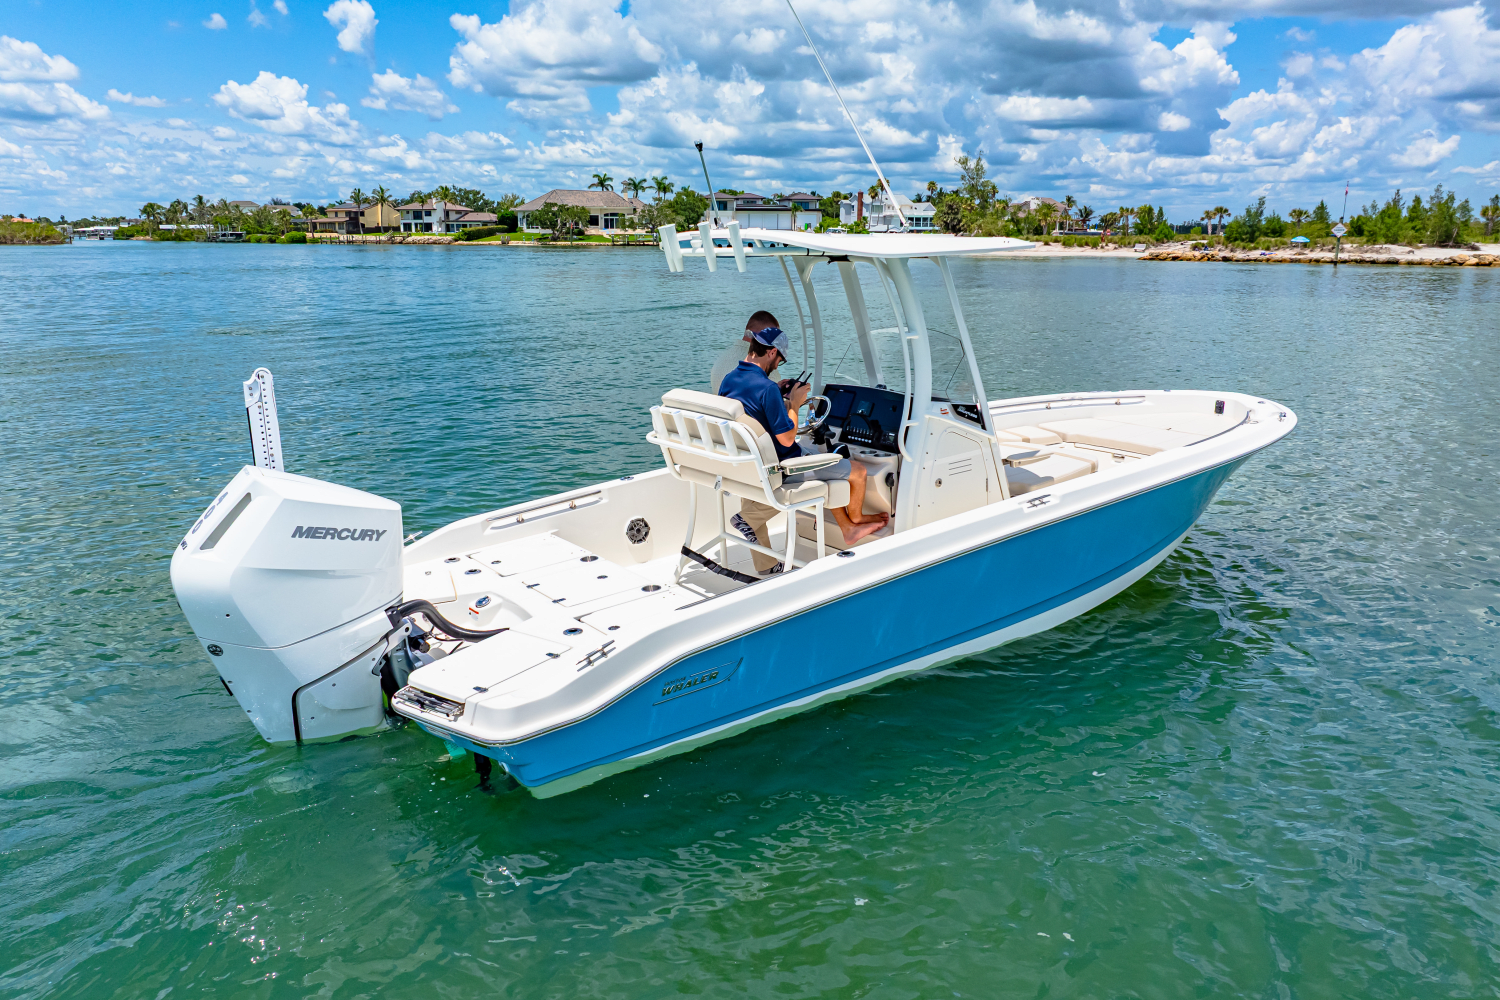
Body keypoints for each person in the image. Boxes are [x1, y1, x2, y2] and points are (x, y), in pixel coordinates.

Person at [718, 311, 887, 569]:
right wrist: (794, 404)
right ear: (772, 352)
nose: (777, 367)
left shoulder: (730, 380)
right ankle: (854, 520)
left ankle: (765, 566)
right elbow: (786, 439)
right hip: (784, 467)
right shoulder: (765, 389)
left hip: (748, 465)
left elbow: (752, 408)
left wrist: (778, 392)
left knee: (822, 464)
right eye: (779, 361)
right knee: (858, 471)